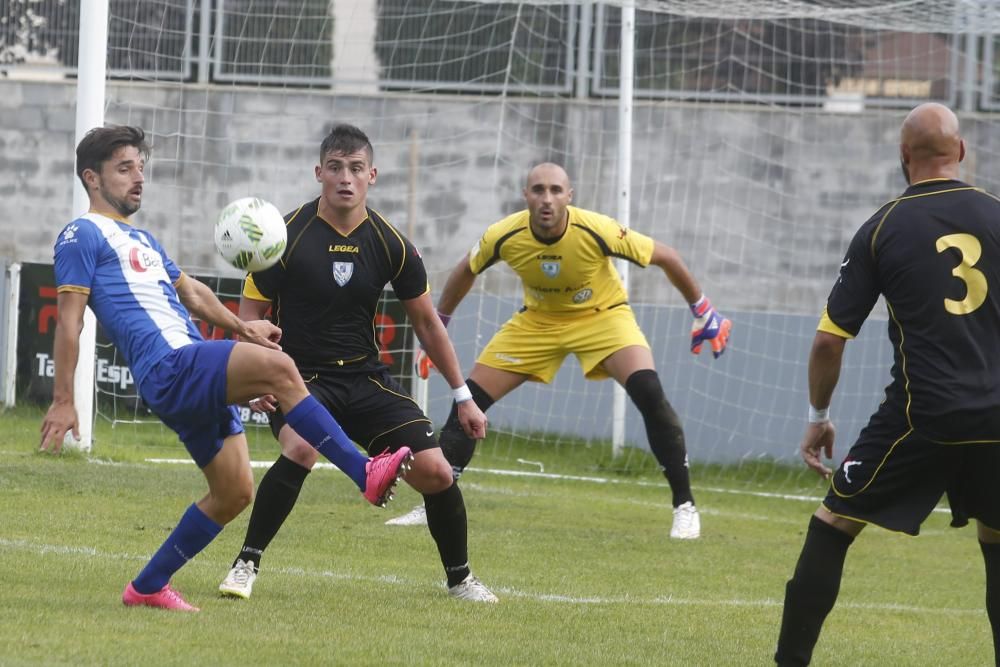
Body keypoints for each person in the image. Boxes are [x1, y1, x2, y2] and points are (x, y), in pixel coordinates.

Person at [40, 125, 413, 613]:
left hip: (185, 370)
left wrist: (244, 330)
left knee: (234, 491)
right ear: (92, 178)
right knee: (281, 369)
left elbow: (191, 292)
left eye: (141, 168)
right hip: (168, 365)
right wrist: (64, 399)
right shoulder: (80, 234)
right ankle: (364, 471)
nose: (139, 178)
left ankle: (148, 586)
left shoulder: (142, 239)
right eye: (125, 169)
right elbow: (69, 324)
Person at [217, 124, 497, 603]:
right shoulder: (281, 237)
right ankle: (246, 563)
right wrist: (257, 375)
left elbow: (429, 325)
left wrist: (464, 397)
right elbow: (249, 318)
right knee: (301, 449)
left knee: (437, 472)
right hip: (298, 379)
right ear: (318, 173)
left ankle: (460, 579)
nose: (345, 177)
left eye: (355, 168)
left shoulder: (393, 245)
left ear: (372, 175)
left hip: (366, 378)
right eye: (335, 167)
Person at [774, 103, 1000, 665]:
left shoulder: (882, 228)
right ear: (962, 153)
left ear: (904, 157)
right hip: (998, 420)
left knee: (832, 525)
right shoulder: (999, 215)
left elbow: (830, 340)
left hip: (921, 417)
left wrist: (818, 415)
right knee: (997, 543)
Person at [403, 162, 732, 539]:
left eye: (556, 190)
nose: (547, 199)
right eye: (538, 190)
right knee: (469, 398)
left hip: (603, 317)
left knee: (649, 392)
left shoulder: (597, 229)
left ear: (569, 196)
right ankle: (434, 502)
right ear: (525, 195)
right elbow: (467, 268)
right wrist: (439, 325)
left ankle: (685, 506)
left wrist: (703, 310)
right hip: (537, 322)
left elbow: (667, 256)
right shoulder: (504, 234)